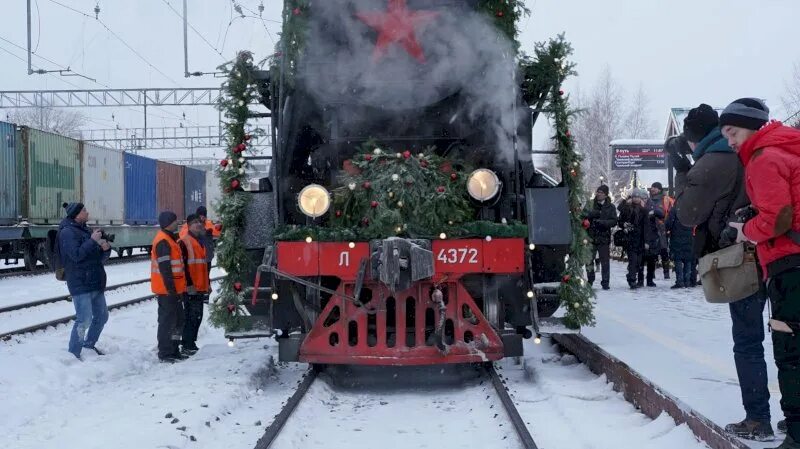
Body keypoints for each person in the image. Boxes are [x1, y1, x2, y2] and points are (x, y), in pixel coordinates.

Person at [673, 102, 773, 441]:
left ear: (693, 138)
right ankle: (794, 414)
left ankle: (758, 418)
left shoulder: (710, 163)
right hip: (776, 254)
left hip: (739, 259)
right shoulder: (751, 154)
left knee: (748, 341)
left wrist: (682, 171)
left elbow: (688, 214)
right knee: (787, 336)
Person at [720, 97, 800, 449]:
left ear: (752, 127)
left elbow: (779, 217)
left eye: (733, 131)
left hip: (790, 263)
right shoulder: (789, 149)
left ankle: (797, 433)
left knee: (790, 348)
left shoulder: (763, 158)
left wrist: (745, 230)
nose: (730, 141)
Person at [58, 202, 112, 360]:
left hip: (95, 281)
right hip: (80, 282)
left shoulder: (86, 231)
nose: (87, 213)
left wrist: (105, 249)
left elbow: (98, 259)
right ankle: (74, 353)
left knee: (102, 316)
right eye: (84, 211)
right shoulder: (67, 232)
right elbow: (76, 256)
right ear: (76, 214)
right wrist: (92, 241)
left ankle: (88, 345)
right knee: (84, 319)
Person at [151, 211, 188, 363]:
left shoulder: (170, 239)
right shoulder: (163, 241)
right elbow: (165, 268)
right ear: (168, 223)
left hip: (174, 290)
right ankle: (165, 353)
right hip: (167, 291)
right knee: (167, 322)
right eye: (174, 220)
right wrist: (171, 289)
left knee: (178, 320)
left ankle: (174, 349)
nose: (177, 223)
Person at [180, 214, 210, 354]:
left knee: (197, 316)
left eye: (199, 222)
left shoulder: (199, 241)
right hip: (191, 287)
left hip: (199, 286)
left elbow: (203, 266)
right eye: (194, 223)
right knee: (191, 316)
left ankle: (191, 343)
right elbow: (184, 266)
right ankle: (187, 344)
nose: (198, 224)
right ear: (188, 225)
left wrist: (207, 283)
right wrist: (190, 284)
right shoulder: (185, 242)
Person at [582, 185, 617, 290]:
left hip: (603, 237)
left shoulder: (610, 207)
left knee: (605, 261)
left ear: (606, 195)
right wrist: (591, 215)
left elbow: (614, 221)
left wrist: (603, 223)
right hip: (590, 236)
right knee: (589, 260)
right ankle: (590, 280)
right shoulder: (590, 204)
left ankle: (605, 282)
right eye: (598, 192)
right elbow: (583, 216)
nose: (599, 194)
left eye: (601, 192)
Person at [619, 189, 655, 289]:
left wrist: (647, 241)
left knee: (639, 262)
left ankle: (631, 275)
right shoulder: (627, 208)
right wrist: (624, 224)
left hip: (640, 239)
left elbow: (647, 227)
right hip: (630, 238)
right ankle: (632, 280)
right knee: (633, 261)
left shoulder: (644, 210)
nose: (636, 199)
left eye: (638, 197)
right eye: (634, 197)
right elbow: (620, 219)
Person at [664, 197, 694, 289]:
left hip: (677, 236)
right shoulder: (691, 210)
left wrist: (667, 230)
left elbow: (668, 223)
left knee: (678, 259)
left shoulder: (674, 210)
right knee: (688, 259)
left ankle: (680, 281)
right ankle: (687, 281)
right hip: (689, 237)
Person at [649, 182, 674, 280]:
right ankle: (652, 272)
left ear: (659, 189)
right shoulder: (649, 200)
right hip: (651, 228)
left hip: (663, 228)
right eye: (652, 187)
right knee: (652, 252)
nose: (653, 189)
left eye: (655, 187)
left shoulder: (666, 200)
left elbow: (671, 213)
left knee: (664, 250)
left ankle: (666, 272)